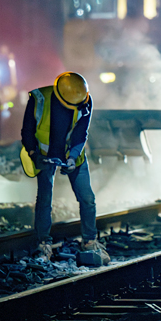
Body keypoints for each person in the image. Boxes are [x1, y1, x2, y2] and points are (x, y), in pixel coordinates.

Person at [20, 72, 110, 264]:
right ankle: (43, 244)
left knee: (87, 198)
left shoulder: (84, 101)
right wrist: (34, 154)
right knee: (44, 199)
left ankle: (90, 242)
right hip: (44, 156)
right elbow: (27, 130)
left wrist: (72, 158)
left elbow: (81, 134)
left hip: (73, 155)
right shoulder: (39, 99)